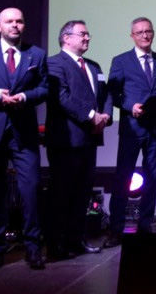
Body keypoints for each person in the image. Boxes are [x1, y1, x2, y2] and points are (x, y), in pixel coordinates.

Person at [0, 7, 48, 271]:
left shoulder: (36, 54)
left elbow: (44, 88)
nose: (15, 25)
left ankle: (33, 247)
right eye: (9, 21)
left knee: (31, 188)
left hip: (23, 131)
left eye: (19, 21)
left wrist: (25, 97)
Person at [104, 17, 156, 248]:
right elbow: (112, 94)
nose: (145, 35)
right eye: (140, 32)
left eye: (148, 31)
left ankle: (145, 226)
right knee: (123, 178)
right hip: (132, 128)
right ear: (132, 36)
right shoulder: (121, 61)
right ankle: (116, 230)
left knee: (152, 178)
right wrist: (129, 107)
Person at [45, 20, 112, 260]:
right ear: (66, 38)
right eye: (82, 34)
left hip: (90, 139)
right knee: (62, 194)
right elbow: (61, 97)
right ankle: (56, 244)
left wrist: (106, 115)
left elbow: (105, 94)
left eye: (88, 34)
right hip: (66, 140)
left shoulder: (93, 66)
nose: (87, 38)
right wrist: (92, 116)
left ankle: (77, 239)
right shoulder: (54, 63)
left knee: (83, 193)